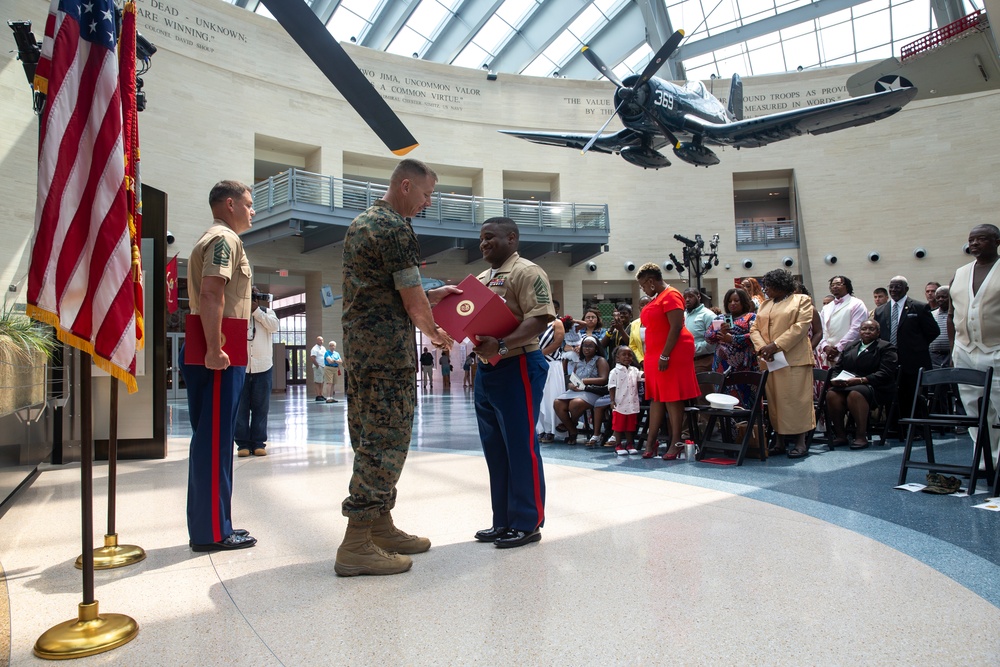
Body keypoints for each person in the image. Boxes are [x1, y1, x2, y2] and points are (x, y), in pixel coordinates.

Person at [336, 158, 457, 577]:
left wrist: (433, 293)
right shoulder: (395, 227)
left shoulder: (364, 222)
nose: (427, 203)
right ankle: (356, 543)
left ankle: (379, 527)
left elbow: (385, 286)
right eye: (426, 195)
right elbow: (409, 298)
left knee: (369, 435)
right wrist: (437, 334)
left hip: (363, 351)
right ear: (405, 186)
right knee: (385, 441)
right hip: (388, 355)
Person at [181, 180, 257, 552]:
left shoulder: (218, 237)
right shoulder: (224, 239)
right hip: (219, 350)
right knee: (213, 444)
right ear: (229, 204)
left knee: (215, 441)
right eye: (248, 204)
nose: (252, 211)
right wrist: (214, 348)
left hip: (222, 346)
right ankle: (212, 532)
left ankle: (216, 524)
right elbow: (212, 292)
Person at [471, 216, 555, 549]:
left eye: (490, 237)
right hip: (488, 368)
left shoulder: (527, 272)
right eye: (481, 239)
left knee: (520, 446)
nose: (484, 243)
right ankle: (503, 520)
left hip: (518, 363)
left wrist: (502, 345)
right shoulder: (480, 278)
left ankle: (527, 522)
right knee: (495, 448)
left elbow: (540, 318)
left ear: (512, 237)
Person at [636, 263, 701, 460]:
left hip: (672, 351)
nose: (643, 289)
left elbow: (675, 327)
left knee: (672, 397)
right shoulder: (658, 297)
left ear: (651, 281)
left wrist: (665, 355)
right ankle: (651, 442)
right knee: (656, 397)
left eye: (643, 285)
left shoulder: (671, 295)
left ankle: (676, 442)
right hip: (656, 352)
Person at [749, 268, 816, 459]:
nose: (765, 289)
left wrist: (776, 346)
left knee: (796, 401)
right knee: (775, 402)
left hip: (793, 359)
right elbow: (754, 328)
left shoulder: (801, 300)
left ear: (781, 285)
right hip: (770, 360)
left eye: (769, 286)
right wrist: (763, 348)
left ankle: (800, 442)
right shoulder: (765, 304)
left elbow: (800, 327)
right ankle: (779, 440)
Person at [948, 223, 1000, 466]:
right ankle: (985, 460)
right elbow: (951, 315)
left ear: (996, 241)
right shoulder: (960, 273)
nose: (975, 243)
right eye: (972, 239)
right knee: (974, 409)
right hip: (965, 350)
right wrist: (953, 346)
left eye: (982, 239)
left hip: (997, 348)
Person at [873, 275, 938, 432]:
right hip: (890, 362)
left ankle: (916, 429)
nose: (894, 290)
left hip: (914, 361)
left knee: (913, 395)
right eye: (892, 287)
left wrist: (916, 346)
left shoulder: (919, 307)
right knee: (892, 395)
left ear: (906, 289)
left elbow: (933, 331)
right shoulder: (881, 310)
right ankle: (895, 428)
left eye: (898, 287)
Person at [825, 320, 898, 449]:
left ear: (878, 332)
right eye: (864, 329)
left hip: (875, 386)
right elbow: (838, 368)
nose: (867, 331)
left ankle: (861, 436)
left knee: (855, 394)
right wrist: (835, 379)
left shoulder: (886, 347)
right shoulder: (850, 346)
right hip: (848, 384)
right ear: (859, 331)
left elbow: (885, 373)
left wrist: (861, 380)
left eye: (871, 329)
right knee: (832, 394)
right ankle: (841, 435)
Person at [235, 288, 279, 457]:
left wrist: (256, 312)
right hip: (241, 367)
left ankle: (259, 443)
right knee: (241, 409)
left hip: (263, 367)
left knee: (261, 408)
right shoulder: (238, 312)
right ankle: (243, 445)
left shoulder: (267, 312)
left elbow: (274, 327)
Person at [705, 288, 757, 408]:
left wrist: (732, 338)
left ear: (743, 302)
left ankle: (746, 425)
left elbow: (755, 336)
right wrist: (718, 334)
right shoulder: (720, 318)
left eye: (736, 301)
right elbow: (707, 336)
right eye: (729, 301)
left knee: (745, 398)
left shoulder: (751, 317)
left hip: (744, 365)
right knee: (723, 397)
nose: (732, 304)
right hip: (721, 365)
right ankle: (727, 426)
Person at [554, 337, 609, 444]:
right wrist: (571, 385)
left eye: (590, 346)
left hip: (592, 391)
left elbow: (604, 379)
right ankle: (572, 429)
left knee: (575, 403)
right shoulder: (579, 361)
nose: (586, 348)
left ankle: (571, 424)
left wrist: (584, 381)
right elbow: (573, 378)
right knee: (558, 403)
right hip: (577, 390)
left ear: (596, 348)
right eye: (584, 345)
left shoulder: (600, 360)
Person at [817, 275, 869, 368]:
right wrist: (825, 346)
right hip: (827, 354)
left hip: (848, 352)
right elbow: (821, 329)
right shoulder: (826, 307)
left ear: (847, 286)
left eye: (838, 284)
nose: (835, 287)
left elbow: (856, 330)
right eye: (832, 285)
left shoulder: (856, 304)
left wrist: (838, 348)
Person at [536, 313, 566, 444]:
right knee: (538, 397)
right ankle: (540, 429)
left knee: (550, 397)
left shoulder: (557, 323)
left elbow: (557, 343)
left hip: (552, 364)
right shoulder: (533, 323)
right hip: (535, 364)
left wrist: (537, 355)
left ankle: (551, 430)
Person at [608, 345, 642, 456]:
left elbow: (642, 377)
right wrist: (612, 401)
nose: (627, 357)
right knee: (618, 426)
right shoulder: (614, 371)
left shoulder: (634, 370)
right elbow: (611, 386)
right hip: (620, 403)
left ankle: (630, 444)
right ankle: (618, 445)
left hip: (632, 403)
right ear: (617, 358)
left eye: (629, 355)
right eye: (624, 355)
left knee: (630, 426)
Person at [929, 285, 952, 369]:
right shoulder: (931, 314)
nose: (940, 299)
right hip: (934, 356)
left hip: (950, 355)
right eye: (938, 297)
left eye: (944, 297)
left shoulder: (956, 315)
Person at [310, 335, 326, 401]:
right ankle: (318, 395)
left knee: (322, 381)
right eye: (320, 340)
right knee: (317, 381)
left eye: (322, 340)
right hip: (318, 366)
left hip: (323, 366)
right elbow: (312, 358)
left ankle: (321, 394)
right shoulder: (314, 348)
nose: (321, 341)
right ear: (317, 341)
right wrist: (317, 366)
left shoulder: (323, 348)